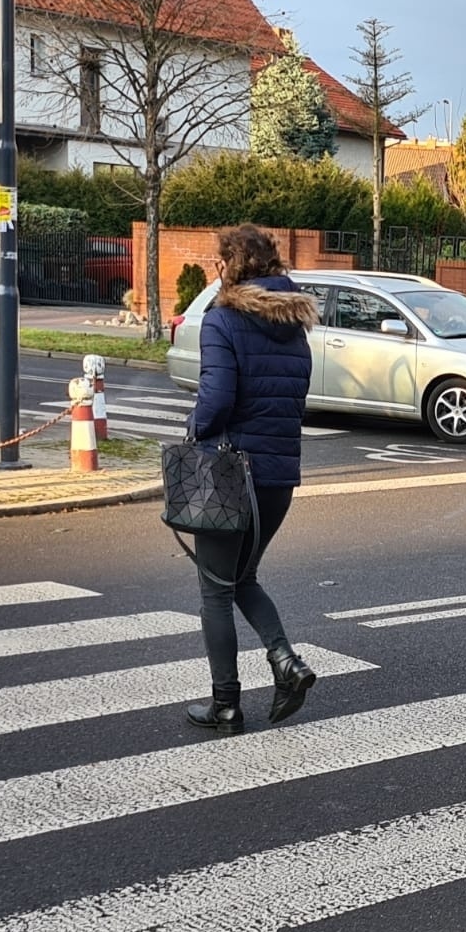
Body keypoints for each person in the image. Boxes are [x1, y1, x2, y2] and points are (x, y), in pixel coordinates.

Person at [183, 225, 320, 735]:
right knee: (242, 578)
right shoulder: (295, 325)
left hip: (229, 473)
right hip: (278, 475)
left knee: (216, 589)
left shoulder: (222, 319)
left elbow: (216, 400)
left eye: (217, 261)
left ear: (229, 266)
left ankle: (225, 705)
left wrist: (194, 428)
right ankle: (286, 662)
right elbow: (294, 400)